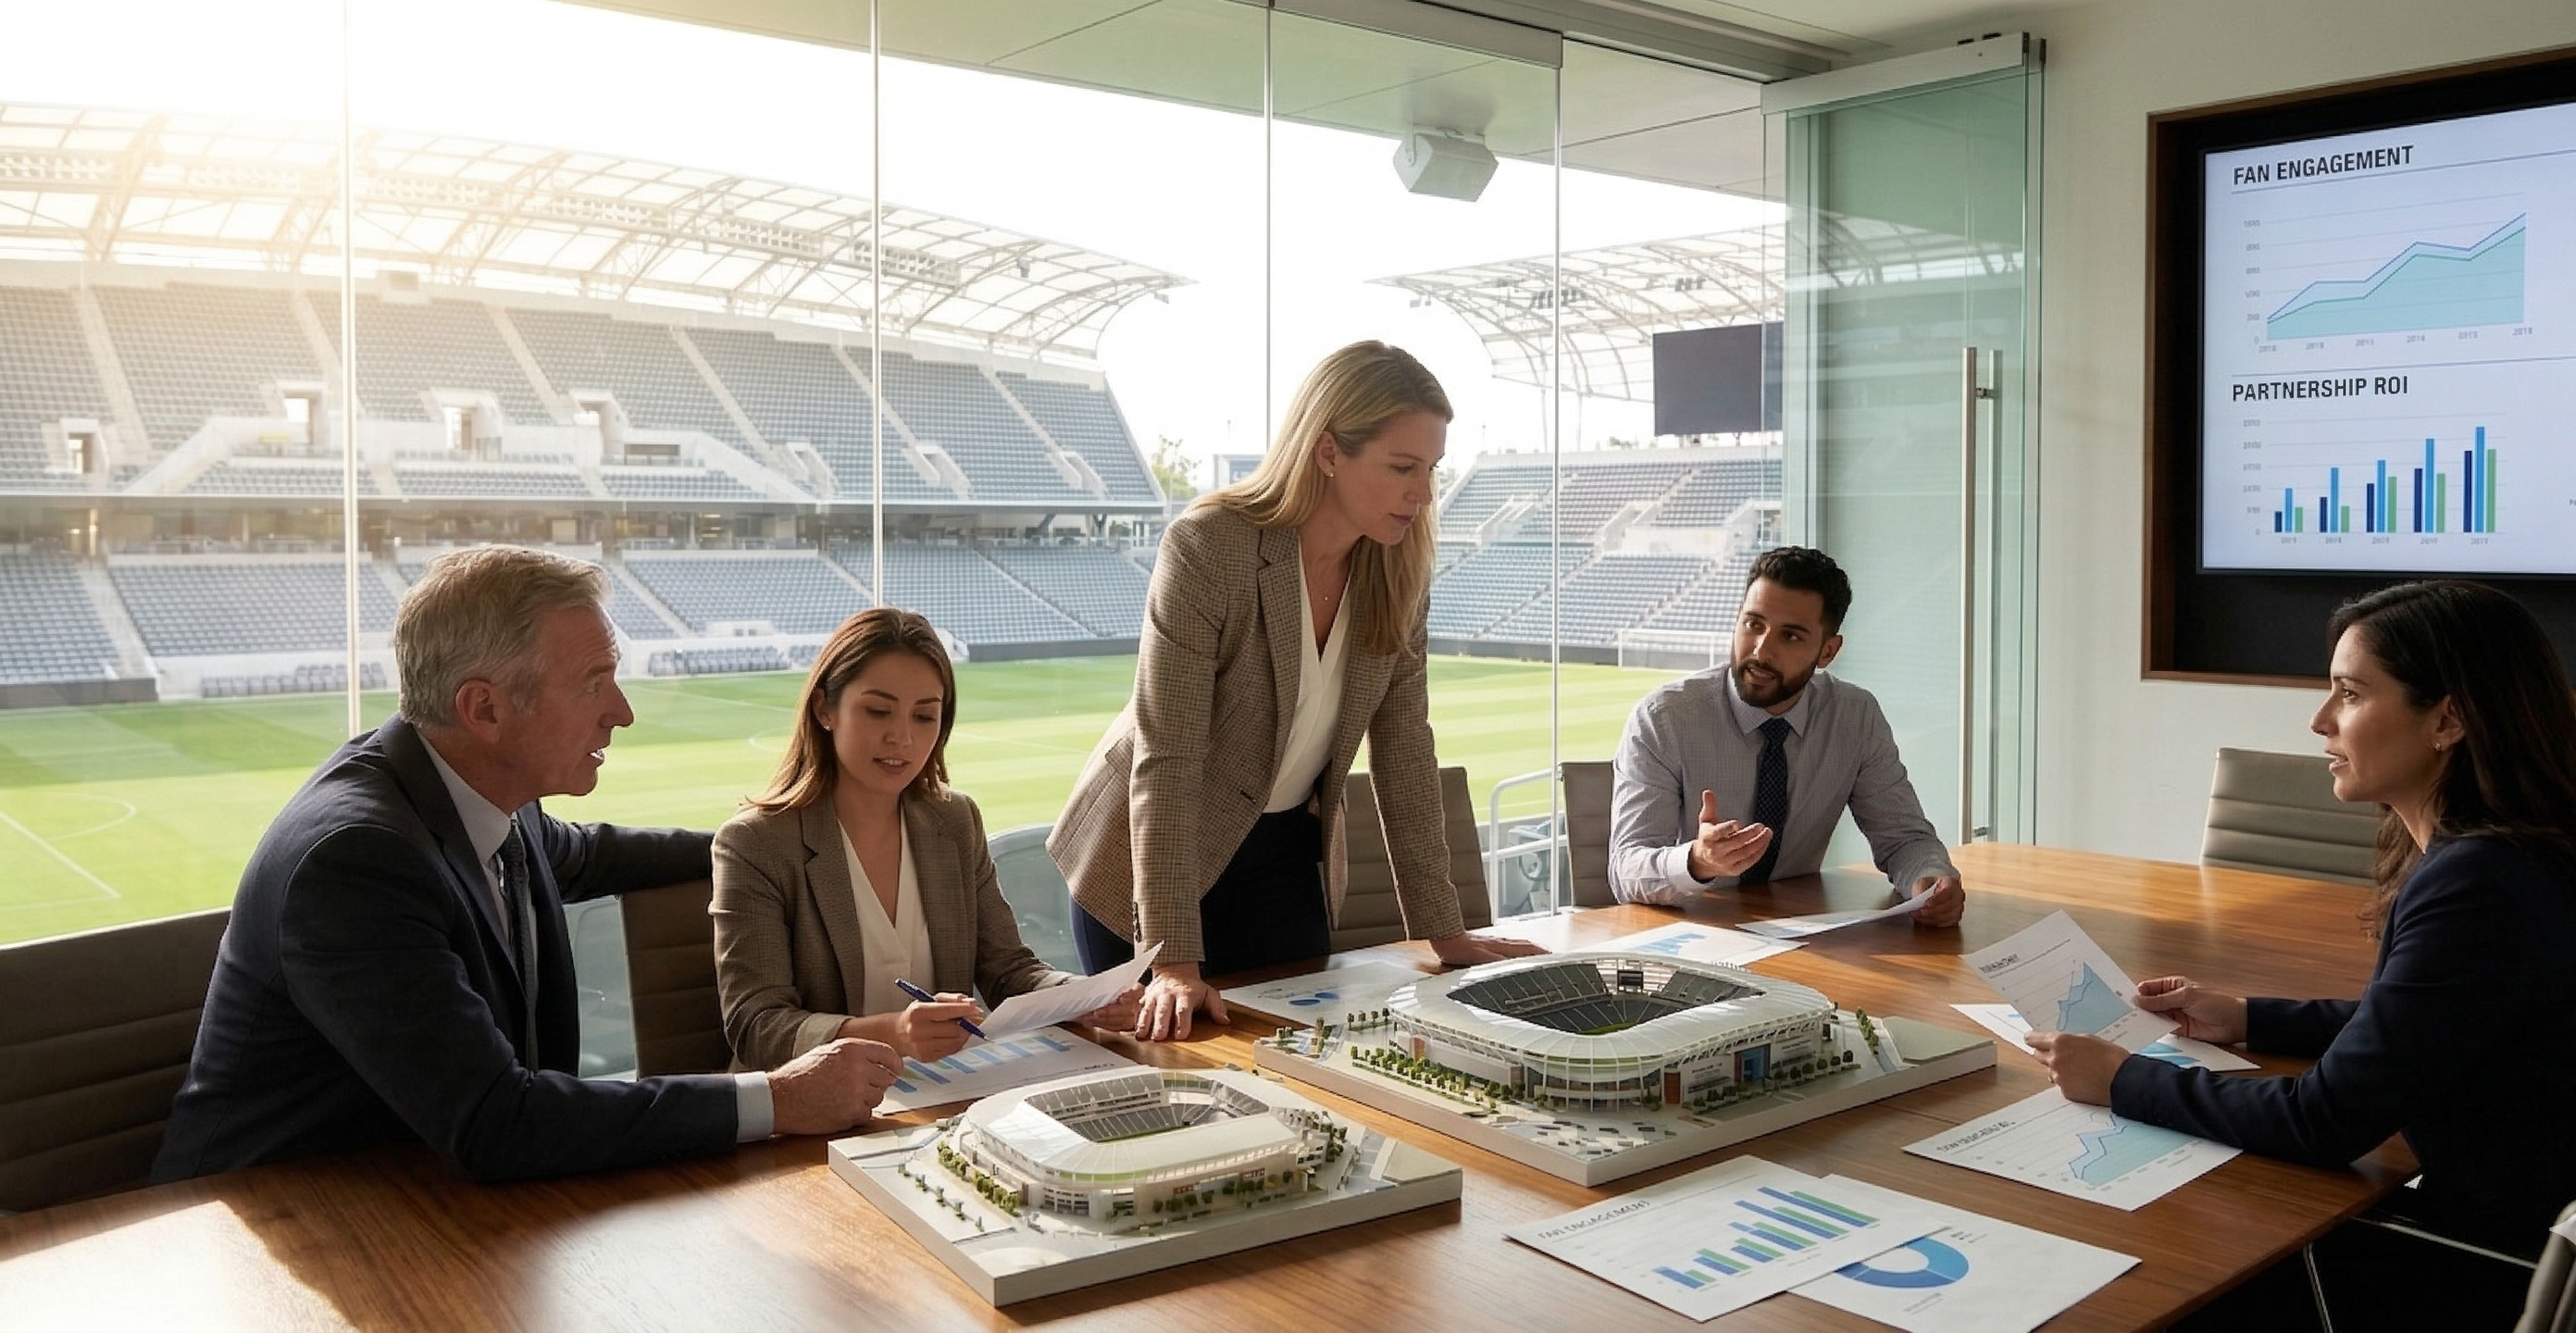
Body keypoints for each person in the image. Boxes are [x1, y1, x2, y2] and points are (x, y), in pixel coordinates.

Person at [154, 547, 902, 1185]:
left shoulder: (478, 793)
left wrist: (782, 848)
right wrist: (777, 1097)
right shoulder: (355, 862)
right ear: (483, 710)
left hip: (419, 1189)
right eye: (592, 682)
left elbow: (591, 852)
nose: (621, 710)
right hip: (275, 1225)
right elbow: (496, 1122)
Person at [2032, 580, 2576, 1270]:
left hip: (2484, 1259)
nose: (2319, 720)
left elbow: (2322, 1122)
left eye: (2349, 694)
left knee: (2169, 1257)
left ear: (2447, 721)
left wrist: (2120, 1078)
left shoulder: (2478, 881)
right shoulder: (2515, 851)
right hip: (2529, 1225)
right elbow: (2428, 1018)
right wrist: (2247, 1017)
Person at [1051, 340, 1543, 1042]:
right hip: (1151, 855)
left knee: (1301, 1060)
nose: (1423, 494)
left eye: (1432, 469)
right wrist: (1173, 963)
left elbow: (1405, 751)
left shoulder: (1398, 572)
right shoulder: (1209, 546)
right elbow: (1168, 758)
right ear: (1327, 451)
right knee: (1177, 1070)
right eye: (1402, 468)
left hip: (1283, 853)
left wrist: (1445, 931)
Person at [710, 608, 1137, 1071]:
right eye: (878, 711)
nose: (902, 738)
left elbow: (1009, 970)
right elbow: (756, 1026)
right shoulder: (755, 843)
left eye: (924, 716)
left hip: (942, 1094)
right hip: (813, 1110)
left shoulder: (955, 822)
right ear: (824, 709)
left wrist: (1084, 999)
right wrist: (895, 1033)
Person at [1607, 545, 1966, 926]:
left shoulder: (1855, 717)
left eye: (1790, 636)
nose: (1762, 650)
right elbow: (1625, 871)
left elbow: (1904, 839)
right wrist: (1696, 861)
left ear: (1828, 651)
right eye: (1753, 624)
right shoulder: (1664, 719)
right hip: (1688, 934)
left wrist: (1930, 880)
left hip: (1800, 934)